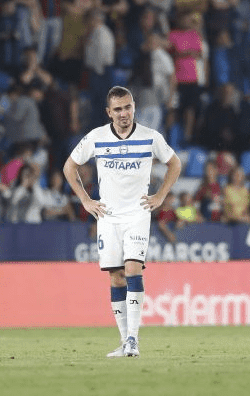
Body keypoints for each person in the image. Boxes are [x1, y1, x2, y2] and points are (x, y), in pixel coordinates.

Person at [63, 86, 181, 357]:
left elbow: (174, 164)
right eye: (118, 109)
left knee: (132, 269)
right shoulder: (96, 137)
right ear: (109, 112)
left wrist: (160, 196)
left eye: (128, 107)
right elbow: (69, 167)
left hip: (137, 214)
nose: (124, 113)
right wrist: (85, 200)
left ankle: (133, 339)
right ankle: (123, 339)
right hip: (108, 216)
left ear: (134, 107)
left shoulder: (150, 137)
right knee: (116, 277)